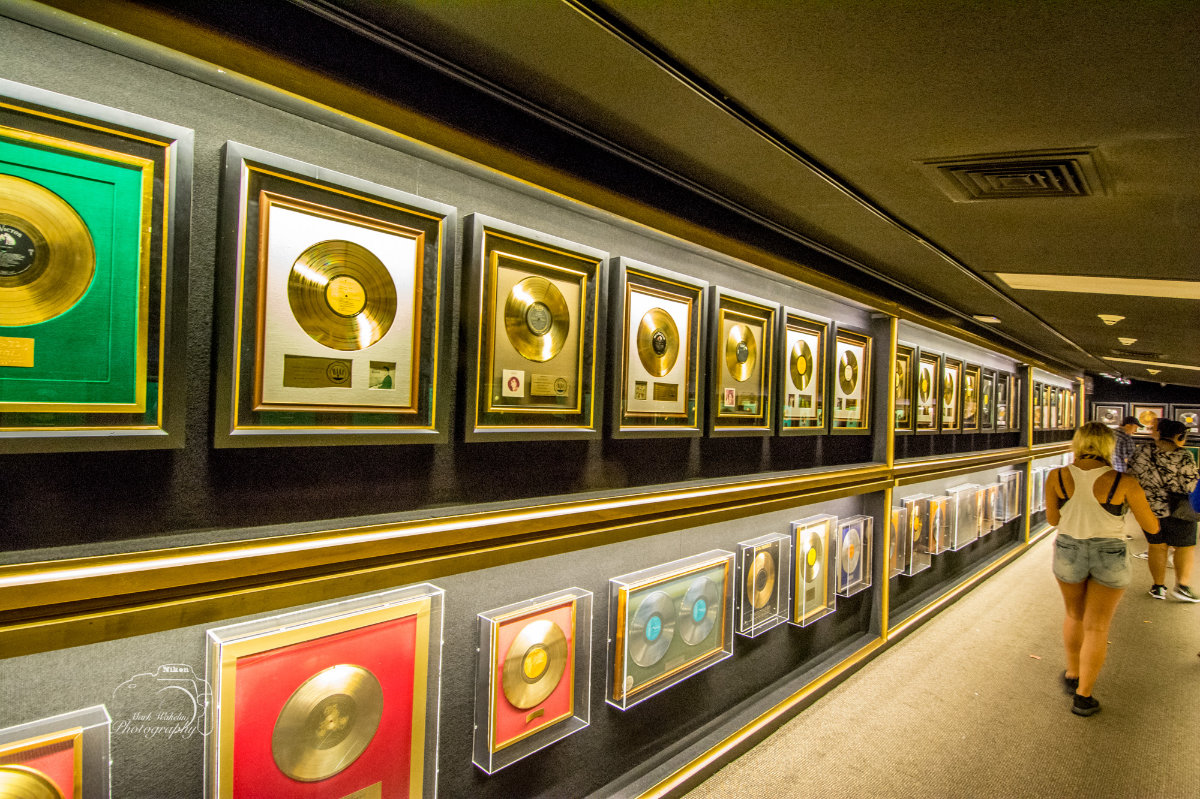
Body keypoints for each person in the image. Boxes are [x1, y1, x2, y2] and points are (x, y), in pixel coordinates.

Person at [1046, 421, 1157, 717]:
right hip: (1110, 552)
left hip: (1069, 548)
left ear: (1078, 442)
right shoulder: (1124, 481)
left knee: (1073, 614)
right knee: (1097, 626)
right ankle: (1083, 696)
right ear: (1109, 445)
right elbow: (1151, 526)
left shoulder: (1057, 476)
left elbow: (1053, 520)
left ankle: (1072, 673)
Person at [1128, 418, 1200, 601]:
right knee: (1185, 547)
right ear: (1178, 436)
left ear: (1159, 433)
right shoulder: (1183, 455)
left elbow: (1132, 475)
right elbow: (1190, 485)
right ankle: (1182, 586)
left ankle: (1158, 587)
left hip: (1149, 508)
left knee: (1157, 546)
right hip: (1180, 509)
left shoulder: (1142, 451)